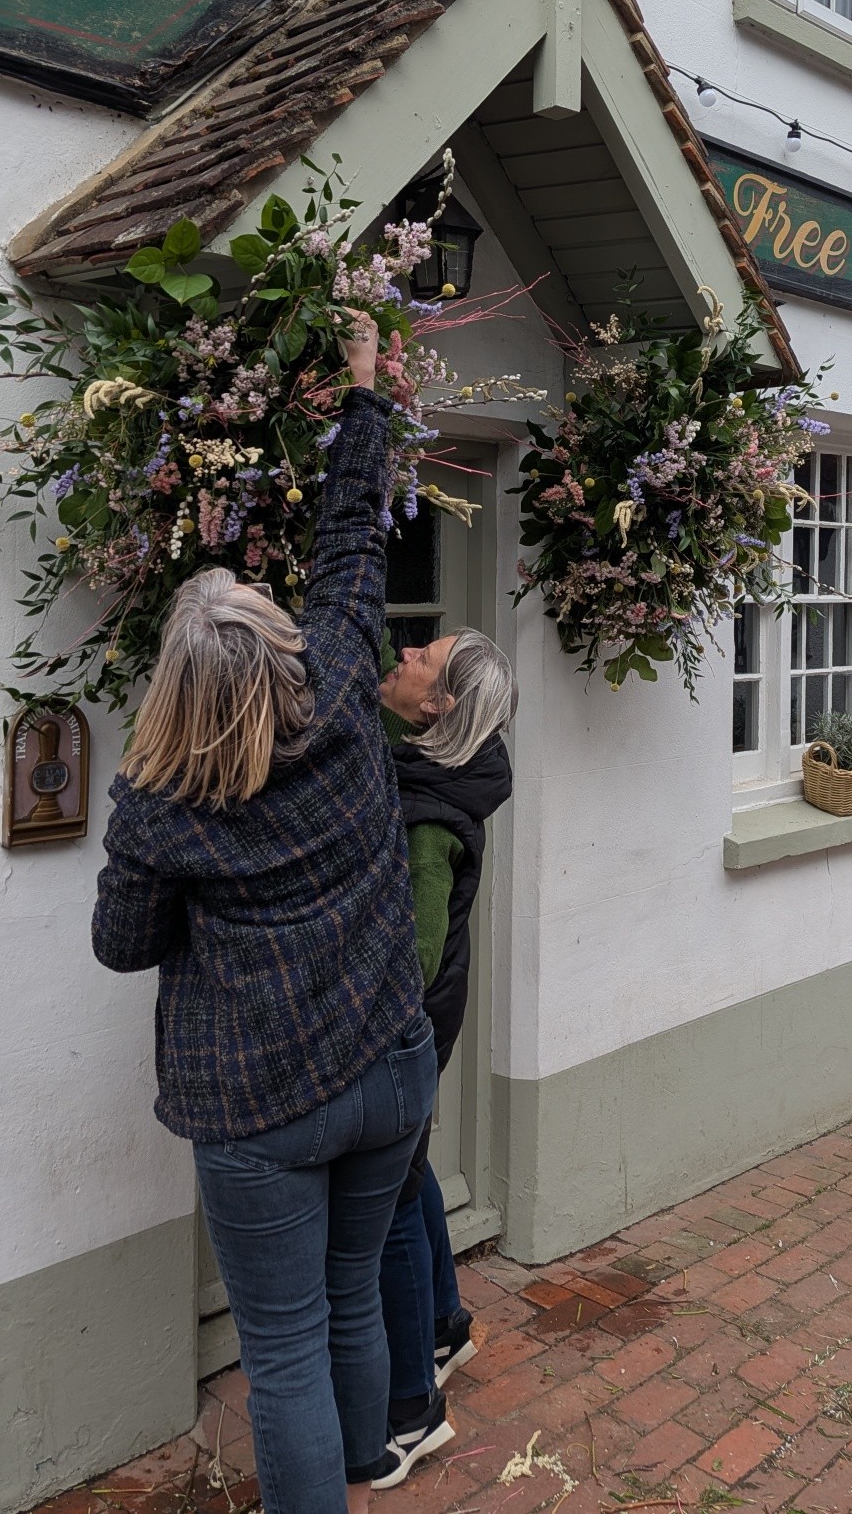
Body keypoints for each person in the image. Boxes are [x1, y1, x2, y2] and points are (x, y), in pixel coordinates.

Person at [91, 311, 436, 1514]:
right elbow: (353, 543)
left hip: (261, 1104)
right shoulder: (341, 683)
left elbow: (122, 945)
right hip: (390, 1067)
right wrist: (362, 389)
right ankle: (363, 1459)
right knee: (347, 1296)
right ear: (279, 650)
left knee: (280, 1344)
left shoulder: (159, 803)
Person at [369, 627, 517, 1487]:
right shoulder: (440, 771)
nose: (410, 649)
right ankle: (446, 1326)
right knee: (415, 1164)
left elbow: (415, 956)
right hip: (433, 1011)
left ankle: (413, 1413)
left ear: (440, 706)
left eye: (426, 655)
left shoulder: (427, 813)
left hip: (410, 1020)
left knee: (386, 1193)